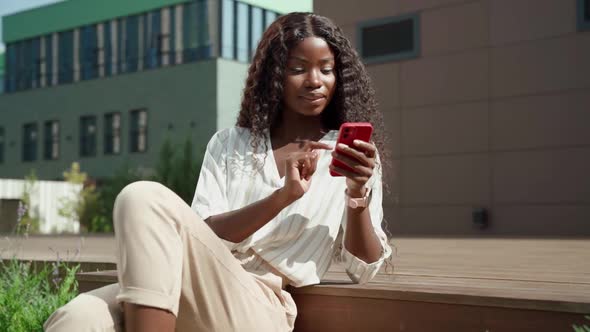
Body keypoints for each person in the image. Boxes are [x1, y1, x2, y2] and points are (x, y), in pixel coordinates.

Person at [44, 12, 393, 332]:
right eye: (298, 68)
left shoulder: (351, 155)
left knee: (141, 196)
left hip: (259, 305)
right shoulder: (231, 144)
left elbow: (363, 267)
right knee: (75, 319)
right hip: (192, 279)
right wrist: (281, 197)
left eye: (326, 69)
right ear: (275, 75)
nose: (314, 80)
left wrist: (357, 194)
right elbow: (203, 233)